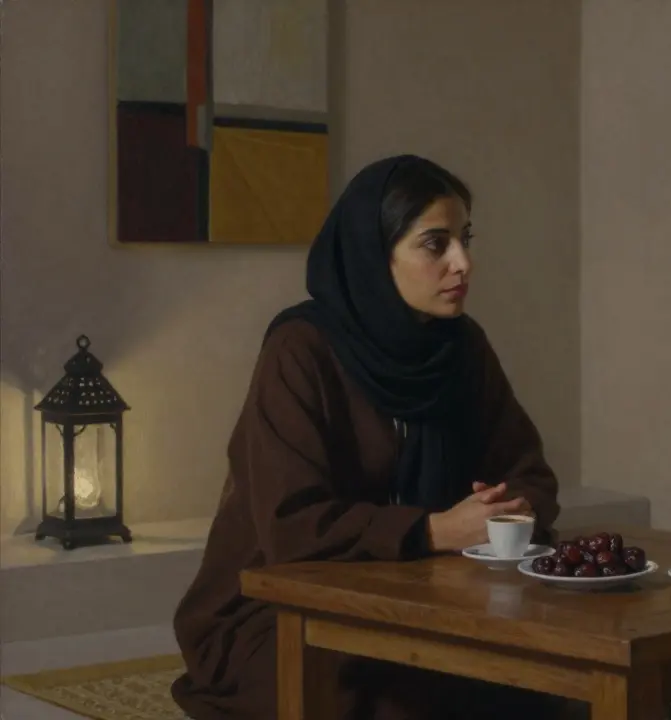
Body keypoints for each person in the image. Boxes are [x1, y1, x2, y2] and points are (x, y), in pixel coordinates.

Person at [171, 155, 567, 719]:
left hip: (433, 600)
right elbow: (291, 524)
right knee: (398, 705)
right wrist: (433, 530)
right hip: (278, 606)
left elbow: (527, 471)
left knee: (549, 691)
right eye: (435, 244)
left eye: (464, 239)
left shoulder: (461, 348)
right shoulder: (302, 350)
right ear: (375, 254)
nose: (463, 262)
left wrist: (509, 512)